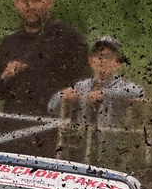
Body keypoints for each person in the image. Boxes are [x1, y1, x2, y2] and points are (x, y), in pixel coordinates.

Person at [0, 0, 88, 152]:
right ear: (16, 3)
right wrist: (5, 76)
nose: (30, 6)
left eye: (36, 0)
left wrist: (71, 93)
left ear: (48, 0)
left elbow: (85, 80)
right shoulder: (10, 41)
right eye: (25, 1)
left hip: (53, 132)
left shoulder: (69, 37)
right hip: (13, 132)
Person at [48, 35, 145, 163]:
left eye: (108, 57)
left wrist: (104, 93)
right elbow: (51, 108)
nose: (102, 61)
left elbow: (139, 92)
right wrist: (63, 96)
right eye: (99, 56)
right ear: (91, 61)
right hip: (81, 148)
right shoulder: (82, 86)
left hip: (112, 149)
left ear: (118, 64)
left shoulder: (123, 86)